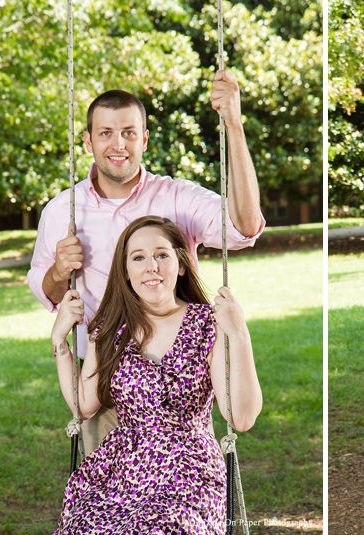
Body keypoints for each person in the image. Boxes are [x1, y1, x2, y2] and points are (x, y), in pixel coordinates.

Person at [28, 70, 265, 455]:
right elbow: (45, 290)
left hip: (179, 381)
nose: (117, 144)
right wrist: (58, 271)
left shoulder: (176, 197)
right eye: (105, 133)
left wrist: (233, 126)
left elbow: (243, 227)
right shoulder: (60, 211)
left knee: (173, 480)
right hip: (103, 374)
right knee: (107, 497)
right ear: (88, 140)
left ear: (145, 139)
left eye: (129, 132)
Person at [50, 215, 262, 534]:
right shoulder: (109, 329)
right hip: (119, 473)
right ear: (125, 271)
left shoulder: (209, 324)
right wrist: (60, 343)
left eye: (162, 254)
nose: (151, 266)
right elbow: (84, 407)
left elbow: (242, 418)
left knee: (165, 528)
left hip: (189, 471)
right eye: (138, 257)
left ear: (180, 264)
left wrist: (240, 335)